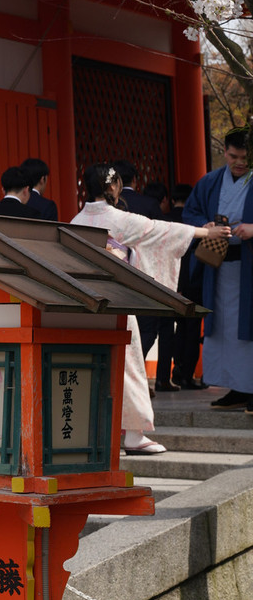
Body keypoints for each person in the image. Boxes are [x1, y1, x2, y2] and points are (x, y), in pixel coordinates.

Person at [73, 164, 223, 454]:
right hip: (115, 303)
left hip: (85, 305)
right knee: (128, 366)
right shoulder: (118, 218)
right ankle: (133, 434)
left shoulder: (77, 219)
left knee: (92, 366)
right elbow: (161, 231)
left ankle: (92, 435)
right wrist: (204, 231)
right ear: (112, 186)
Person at [182, 130, 253, 410]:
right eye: (233, 156)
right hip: (219, 266)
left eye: (245, 158)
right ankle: (237, 387)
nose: (239, 162)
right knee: (223, 328)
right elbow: (191, 213)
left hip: (248, 266)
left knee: (247, 326)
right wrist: (206, 227)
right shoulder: (210, 182)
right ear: (225, 151)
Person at [161, 183, 205, 390]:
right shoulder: (197, 223)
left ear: (172, 200)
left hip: (171, 279)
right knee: (192, 328)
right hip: (193, 280)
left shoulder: (165, 220)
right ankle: (187, 374)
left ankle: (176, 370)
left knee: (176, 329)